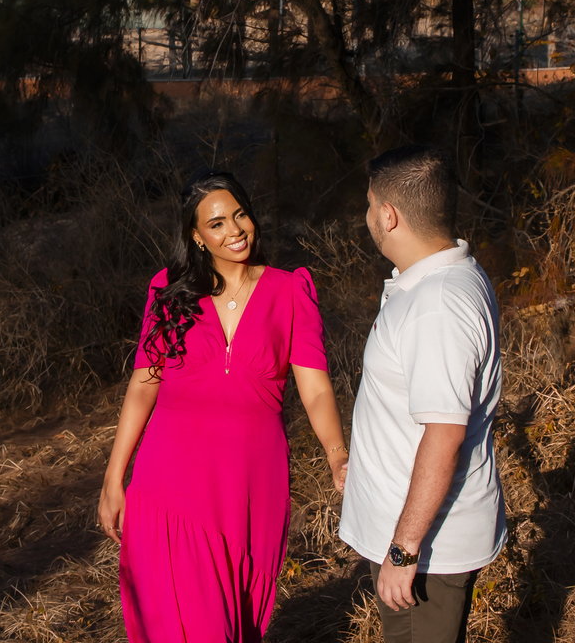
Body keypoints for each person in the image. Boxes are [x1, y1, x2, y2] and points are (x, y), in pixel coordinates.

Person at [97, 169, 348, 643]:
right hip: (168, 485)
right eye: (216, 224)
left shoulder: (289, 290)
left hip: (249, 489)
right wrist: (114, 478)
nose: (234, 230)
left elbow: (315, 390)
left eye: (240, 215)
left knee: (238, 624)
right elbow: (143, 386)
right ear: (196, 236)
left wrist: (337, 455)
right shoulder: (169, 290)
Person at [339, 146, 507, 643]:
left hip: (427, 548)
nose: (367, 215)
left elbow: (444, 434)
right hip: (412, 530)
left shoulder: (438, 305)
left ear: (389, 216)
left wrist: (403, 550)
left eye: (370, 205)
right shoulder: (432, 282)